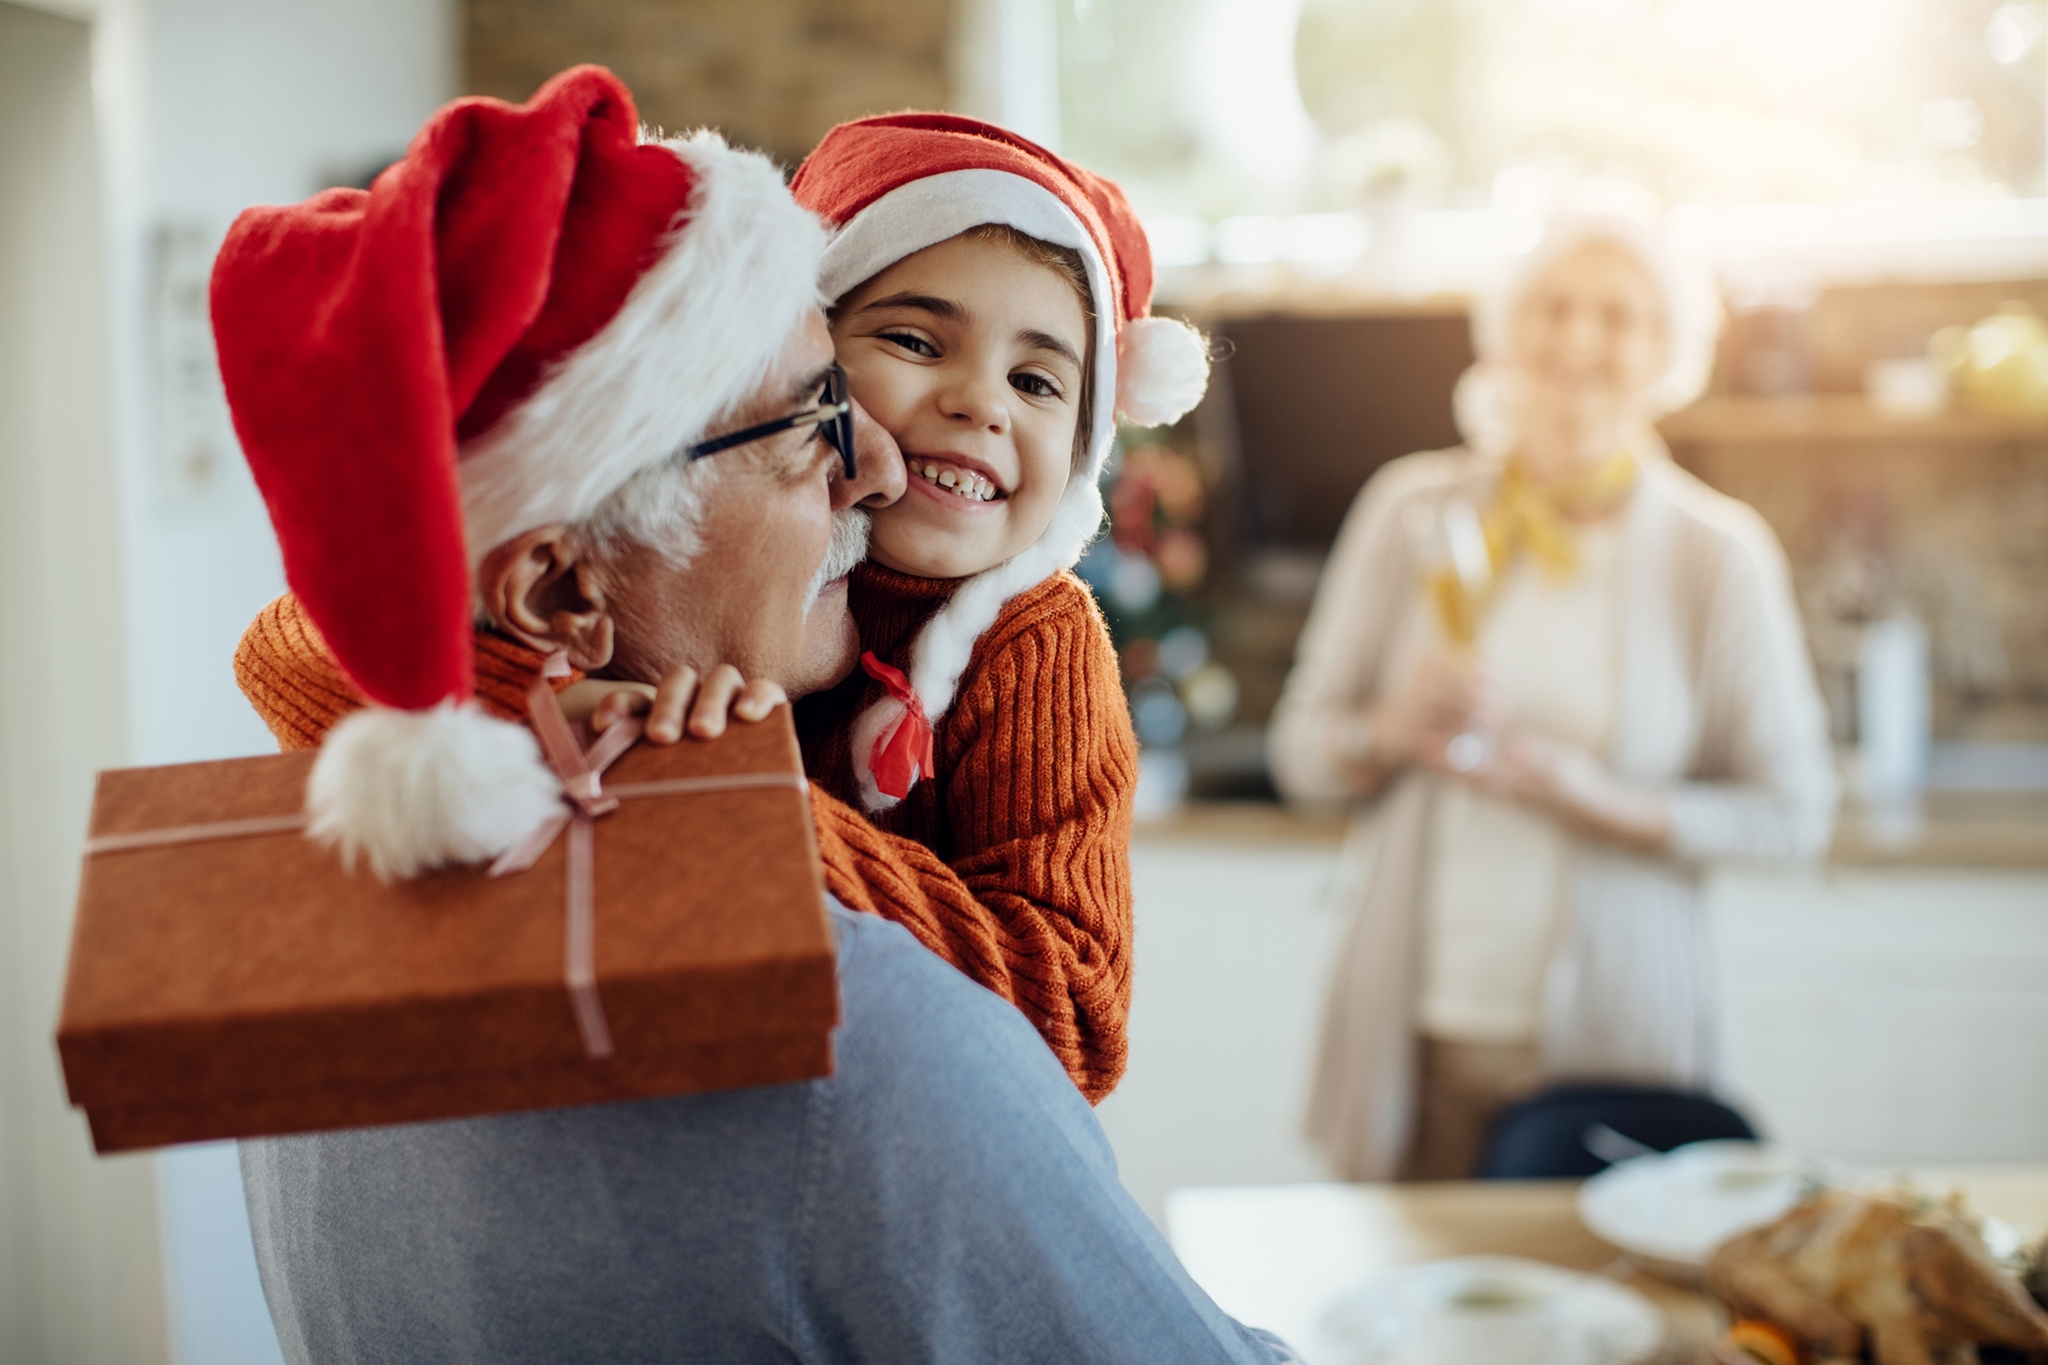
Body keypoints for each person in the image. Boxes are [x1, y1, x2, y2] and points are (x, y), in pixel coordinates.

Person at [217, 67, 1298, 1362]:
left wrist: (623, 749)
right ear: (558, 590)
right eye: (817, 418)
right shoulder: (872, 1047)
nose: (888, 463)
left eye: (1038, 379)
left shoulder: (275, 921)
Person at [572, 115, 1212, 1102]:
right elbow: (304, 649)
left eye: (1036, 380)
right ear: (800, 359)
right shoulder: (704, 546)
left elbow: (1071, 1019)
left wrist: (751, 816)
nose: (979, 403)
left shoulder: (1033, 644)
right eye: (915, 340)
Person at [1268, 211, 1837, 1182]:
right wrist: (1389, 729)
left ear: (1665, 352)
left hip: (1616, 1046)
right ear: (1503, 331)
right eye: (1553, 307)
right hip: (1417, 1032)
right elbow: (1302, 757)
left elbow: (1792, 816)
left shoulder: (1714, 556)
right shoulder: (1409, 513)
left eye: (1616, 317)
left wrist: (1592, 797)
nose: (1577, 339)